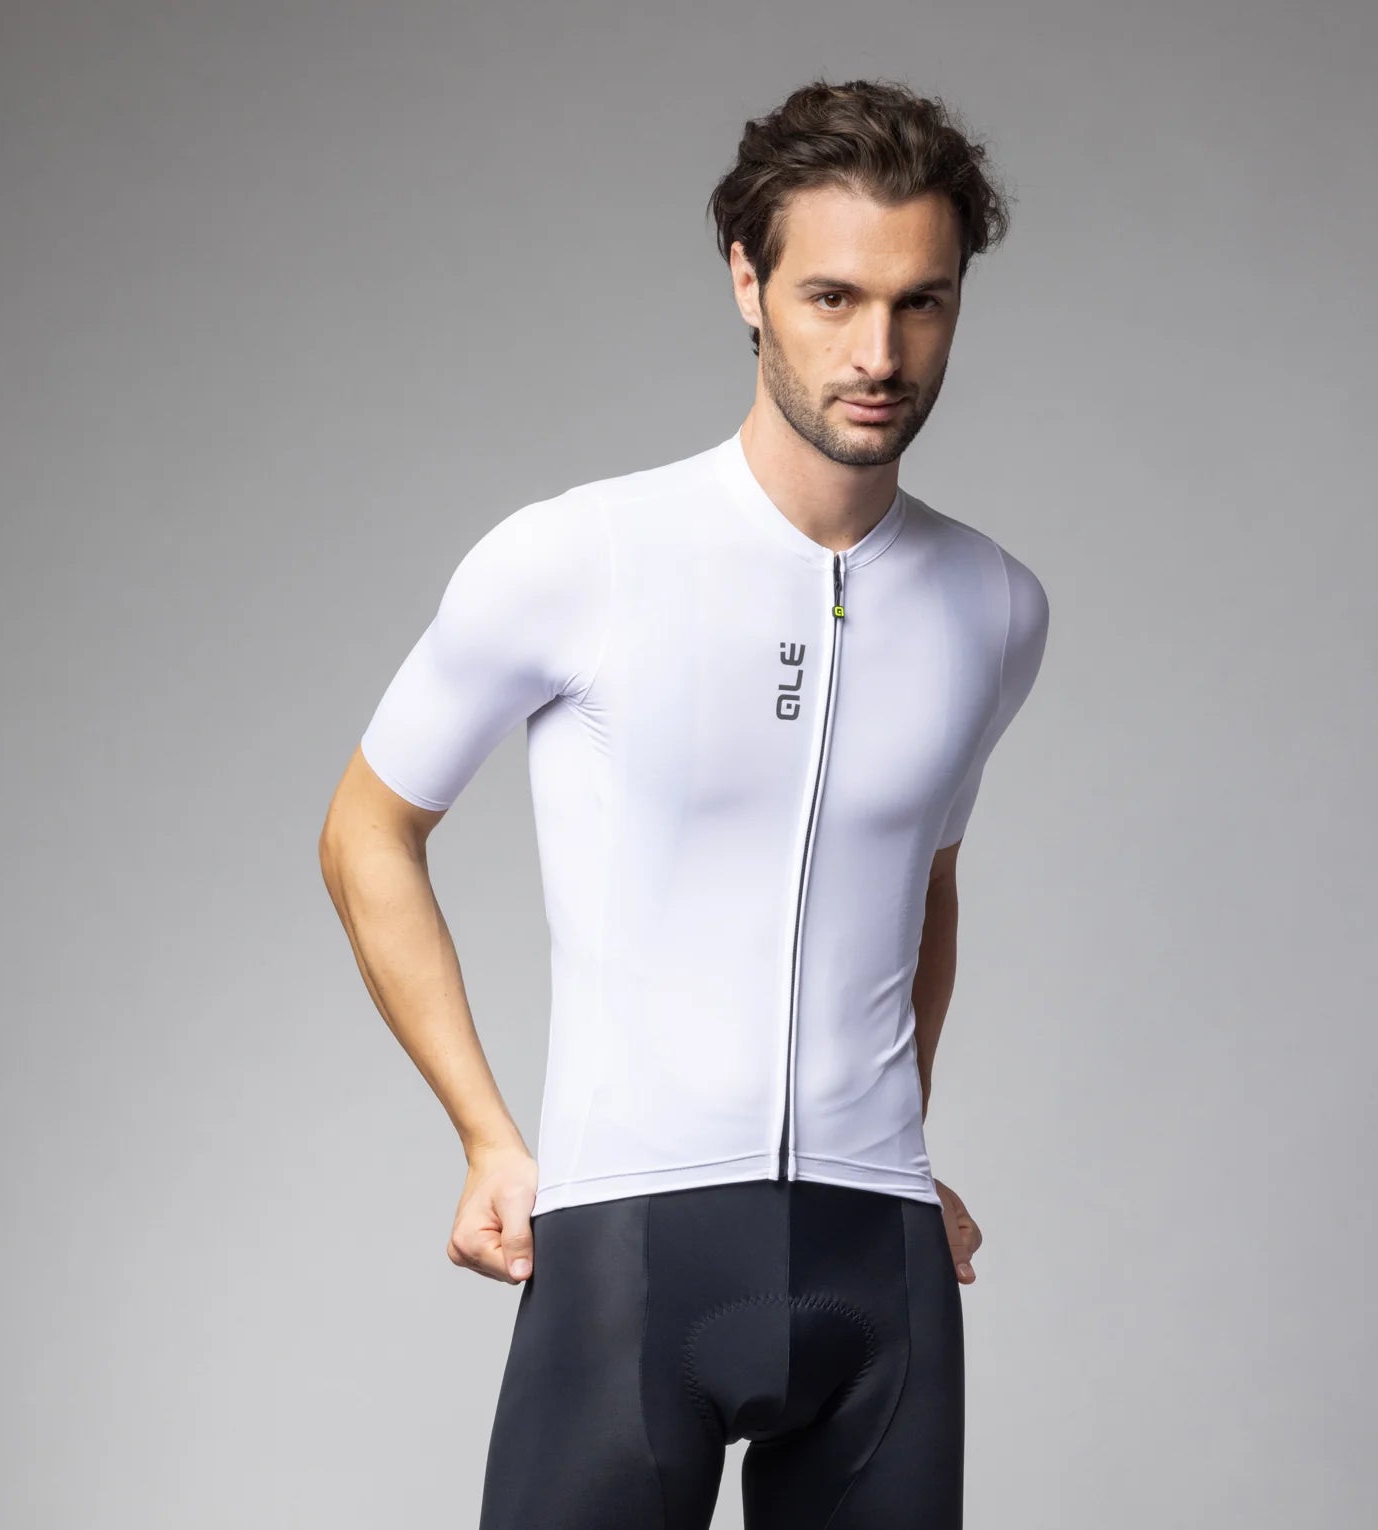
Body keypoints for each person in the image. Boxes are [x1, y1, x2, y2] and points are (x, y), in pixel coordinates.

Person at [319, 76, 1049, 1530]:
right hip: (628, 1246)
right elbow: (366, 831)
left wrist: (894, 1148)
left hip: (880, 1267)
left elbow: (923, 880)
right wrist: (487, 1136)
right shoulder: (581, 555)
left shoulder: (996, 606)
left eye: (921, 303)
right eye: (833, 297)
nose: (879, 352)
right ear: (746, 284)